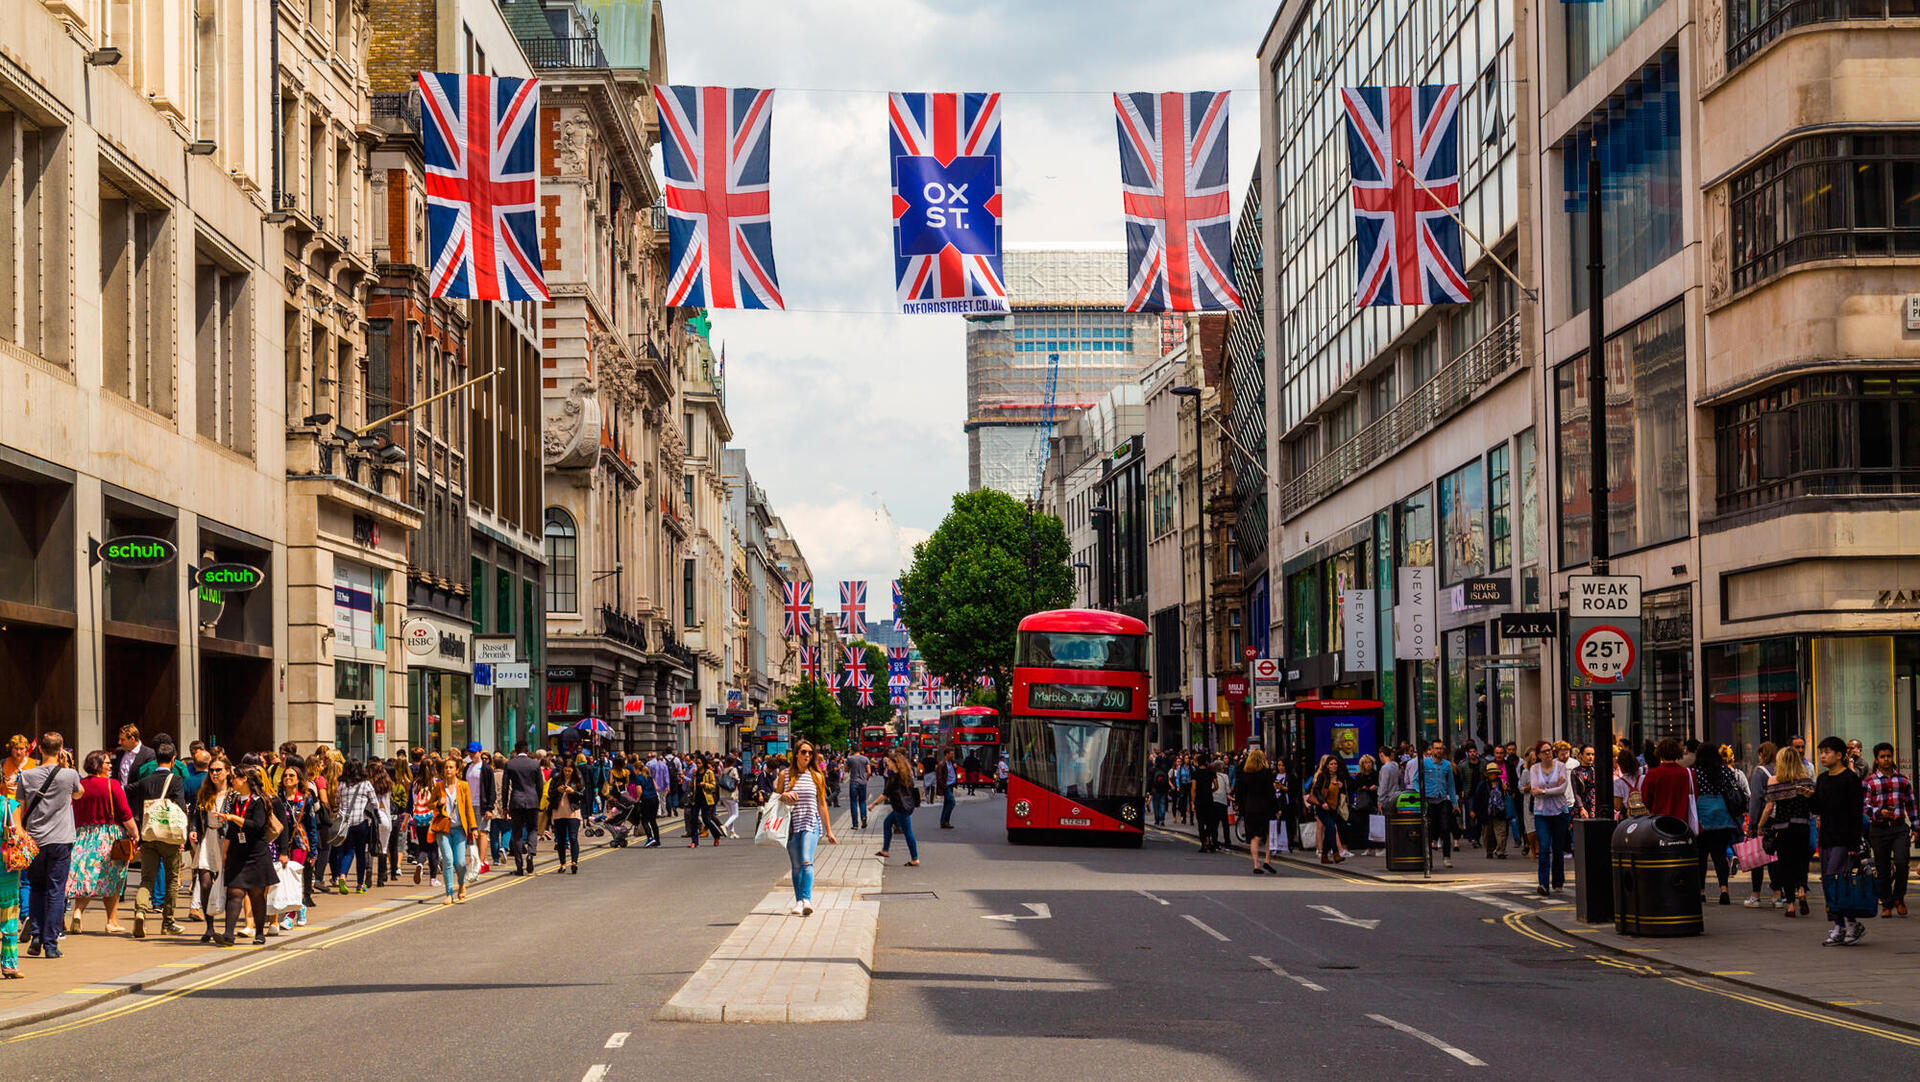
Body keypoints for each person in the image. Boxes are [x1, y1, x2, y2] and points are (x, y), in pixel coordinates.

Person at [18, 733, 83, 959]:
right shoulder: (70, 775)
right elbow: (78, 794)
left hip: (34, 840)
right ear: (61, 748)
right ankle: (51, 944)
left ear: (40, 750)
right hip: (61, 840)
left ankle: (36, 935)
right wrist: (67, 765)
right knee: (56, 892)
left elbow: (20, 806)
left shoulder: (26, 776)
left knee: (36, 888)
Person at [64, 749, 137, 935]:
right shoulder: (112, 785)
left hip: (83, 836)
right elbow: (125, 813)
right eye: (107, 763)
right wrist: (135, 834)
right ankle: (111, 921)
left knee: (87, 877)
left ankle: (78, 913)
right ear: (97, 765)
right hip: (108, 836)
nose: (111, 766)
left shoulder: (79, 785)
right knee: (112, 879)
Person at [124, 741, 189, 939]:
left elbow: (124, 791)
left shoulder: (146, 780)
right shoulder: (176, 780)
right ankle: (168, 922)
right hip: (169, 836)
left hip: (148, 834)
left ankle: (141, 912)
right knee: (171, 880)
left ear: (155, 760)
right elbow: (179, 806)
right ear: (173, 760)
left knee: (147, 879)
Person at [1811, 736, 1867, 946]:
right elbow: (1818, 808)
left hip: (1845, 839)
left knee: (1837, 881)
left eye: (1827, 752)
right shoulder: (1823, 779)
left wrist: (1855, 844)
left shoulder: (1850, 779)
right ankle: (1839, 925)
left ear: (1840, 755)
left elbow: (1855, 813)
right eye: (1821, 752)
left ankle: (1850, 924)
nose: (1823, 756)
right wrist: (1810, 796)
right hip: (1827, 837)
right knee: (1828, 883)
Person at [214, 766, 276, 947]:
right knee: (234, 892)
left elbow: (257, 826)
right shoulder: (234, 799)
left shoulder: (260, 800)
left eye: (235, 778)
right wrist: (225, 852)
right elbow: (232, 831)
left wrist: (233, 818)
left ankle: (259, 932)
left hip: (256, 854)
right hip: (237, 853)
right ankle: (228, 934)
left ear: (245, 780)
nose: (232, 780)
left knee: (256, 894)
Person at [777, 741, 838, 916]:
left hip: (811, 823)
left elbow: (822, 804)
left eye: (810, 753)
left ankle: (807, 899)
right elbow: (775, 797)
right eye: (804, 752)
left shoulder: (816, 776)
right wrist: (784, 795)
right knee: (796, 866)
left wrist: (829, 830)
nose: (807, 755)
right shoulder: (785, 775)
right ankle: (799, 902)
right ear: (796, 754)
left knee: (806, 860)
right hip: (790, 825)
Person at [1759, 747, 1815, 919]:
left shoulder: (1775, 781)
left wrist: (1760, 825)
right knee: (1801, 861)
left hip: (1783, 828)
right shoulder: (1806, 780)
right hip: (1803, 826)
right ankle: (1801, 890)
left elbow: (1769, 807)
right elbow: (1813, 803)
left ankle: (1790, 905)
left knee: (1786, 865)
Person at [1862, 741, 1915, 918]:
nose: (1886, 760)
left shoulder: (1902, 780)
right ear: (1876, 760)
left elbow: (1911, 805)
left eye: (1888, 756)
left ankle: (1899, 898)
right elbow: (1864, 805)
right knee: (1882, 868)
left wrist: (1916, 827)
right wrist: (1879, 813)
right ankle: (1886, 902)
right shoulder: (1869, 782)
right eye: (1882, 757)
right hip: (1878, 829)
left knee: (1901, 862)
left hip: (1899, 827)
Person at [1693, 744, 1744, 906]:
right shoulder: (1725, 770)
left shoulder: (1695, 772)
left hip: (1702, 814)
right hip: (1722, 815)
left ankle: (1701, 892)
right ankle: (1724, 890)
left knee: (1700, 856)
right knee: (1720, 855)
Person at [187, 760, 230, 942]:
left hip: (226, 841)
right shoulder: (205, 793)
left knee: (229, 885)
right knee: (204, 883)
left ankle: (229, 927)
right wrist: (193, 829)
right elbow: (196, 815)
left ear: (227, 771)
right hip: (208, 839)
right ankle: (210, 927)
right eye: (211, 770)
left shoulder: (233, 794)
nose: (214, 773)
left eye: (218, 770)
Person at [1524, 742, 1572, 896]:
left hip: (1560, 812)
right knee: (1544, 848)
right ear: (1538, 755)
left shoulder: (1560, 767)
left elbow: (1562, 789)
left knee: (1558, 849)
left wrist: (1543, 791)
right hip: (1542, 813)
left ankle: (1558, 882)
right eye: (1544, 752)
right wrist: (1552, 789)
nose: (1548, 754)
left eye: (1550, 751)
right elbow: (1533, 789)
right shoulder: (1534, 769)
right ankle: (1543, 884)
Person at [271, 765, 313, 932]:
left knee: (294, 878)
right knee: (282, 878)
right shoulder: (277, 799)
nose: (287, 778)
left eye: (291, 775)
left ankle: (290, 916)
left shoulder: (305, 799)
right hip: (280, 843)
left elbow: (312, 826)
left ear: (298, 779)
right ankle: (300, 906)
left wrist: (314, 850)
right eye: (285, 775)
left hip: (299, 843)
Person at [432, 758, 480, 901]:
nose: (448, 770)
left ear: (457, 770)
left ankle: (461, 884)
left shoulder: (463, 786)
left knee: (459, 862)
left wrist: (474, 827)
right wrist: (438, 804)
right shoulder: (438, 787)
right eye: (446, 767)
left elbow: (468, 808)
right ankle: (448, 893)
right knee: (447, 860)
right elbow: (429, 805)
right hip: (443, 829)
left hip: (459, 830)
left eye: (451, 767)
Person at [330, 759, 376, 893]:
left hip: (345, 823)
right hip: (361, 822)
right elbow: (375, 803)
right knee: (360, 853)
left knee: (348, 851)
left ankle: (342, 875)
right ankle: (360, 884)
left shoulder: (342, 785)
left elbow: (337, 802)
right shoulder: (366, 784)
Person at [1414, 741, 1459, 869]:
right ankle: (1428, 859)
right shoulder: (1425, 763)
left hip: (1443, 799)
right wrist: (1421, 794)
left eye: (1441, 748)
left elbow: (1451, 785)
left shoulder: (1447, 765)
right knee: (1430, 829)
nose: (1439, 751)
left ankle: (1446, 858)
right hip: (1429, 800)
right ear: (1431, 750)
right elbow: (1415, 779)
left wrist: (1455, 803)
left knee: (1445, 828)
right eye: (1436, 748)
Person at [1234, 748, 1278, 874]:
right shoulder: (1266, 773)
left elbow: (1240, 793)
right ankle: (1267, 860)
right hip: (1265, 807)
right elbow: (1271, 792)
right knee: (1269, 834)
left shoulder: (1245, 774)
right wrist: (1276, 808)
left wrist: (1240, 807)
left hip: (1250, 808)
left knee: (1254, 837)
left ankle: (1255, 864)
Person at [873, 752, 920, 866]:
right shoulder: (905, 774)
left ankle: (915, 858)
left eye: (889, 761)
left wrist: (873, 804)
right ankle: (885, 850)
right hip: (905, 806)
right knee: (887, 823)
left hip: (901, 808)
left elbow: (885, 794)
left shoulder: (894, 778)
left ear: (895, 763)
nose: (887, 763)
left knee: (908, 832)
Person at [503, 743, 544, 875]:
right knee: (533, 828)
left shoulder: (510, 764)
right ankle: (531, 853)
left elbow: (505, 788)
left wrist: (505, 806)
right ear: (527, 750)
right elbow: (540, 786)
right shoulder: (535, 764)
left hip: (516, 801)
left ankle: (519, 865)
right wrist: (538, 800)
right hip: (532, 801)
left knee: (517, 832)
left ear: (516, 750)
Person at [1640, 739, 1695, 822]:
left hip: (1659, 821)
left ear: (1660, 754)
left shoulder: (1653, 774)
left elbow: (1646, 799)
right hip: (1683, 821)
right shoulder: (1689, 773)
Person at [545, 759, 584, 873]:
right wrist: (557, 790)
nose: (567, 773)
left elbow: (583, 795)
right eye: (565, 771)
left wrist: (573, 791)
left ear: (573, 770)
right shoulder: (557, 778)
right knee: (561, 840)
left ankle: (574, 863)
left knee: (573, 837)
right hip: (559, 812)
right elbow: (550, 794)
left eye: (569, 771)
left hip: (573, 811)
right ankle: (563, 864)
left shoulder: (578, 779)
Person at [1307, 755, 1346, 864]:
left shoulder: (1339, 777)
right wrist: (1323, 802)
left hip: (1333, 808)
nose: (1334, 766)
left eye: (1335, 764)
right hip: (1323, 808)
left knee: (1330, 831)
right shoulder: (1322, 776)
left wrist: (1340, 786)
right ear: (1327, 766)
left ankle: (1324, 856)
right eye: (1331, 764)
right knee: (1332, 829)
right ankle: (1336, 854)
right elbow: (1317, 791)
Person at [1, 782, 22, 977]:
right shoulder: (9, 805)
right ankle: (9, 964)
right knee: (8, 919)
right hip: (5, 871)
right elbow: (19, 834)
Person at [1474, 763, 1510, 858]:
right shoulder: (1483, 785)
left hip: (1499, 811)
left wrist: (1506, 790)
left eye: (1494, 773)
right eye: (1491, 773)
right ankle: (1489, 850)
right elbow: (1477, 798)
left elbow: (1508, 795)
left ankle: (1500, 851)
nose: (1492, 775)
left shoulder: (1501, 784)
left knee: (1501, 833)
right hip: (1486, 812)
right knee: (1487, 834)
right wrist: (1474, 810)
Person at [109, 725, 154, 790]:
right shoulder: (119, 752)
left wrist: (124, 789)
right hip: (119, 796)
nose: (119, 742)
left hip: (137, 797)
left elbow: (146, 781)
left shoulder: (149, 754)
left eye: (122, 740)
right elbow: (115, 772)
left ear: (132, 739)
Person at [846, 750, 871, 830]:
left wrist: (848, 757)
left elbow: (846, 770)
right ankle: (863, 817)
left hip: (853, 783)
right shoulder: (865, 759)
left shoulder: (850, 759)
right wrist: (866, 779)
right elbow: (869, 772)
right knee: (862, 801)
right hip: (863, 783)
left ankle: (855, 824)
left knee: (853, 803)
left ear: (852, 750)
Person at [938, 749, 958, 829]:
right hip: (946, 786)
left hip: (951, 785)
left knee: (946, 804)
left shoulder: (952, 763)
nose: (952, 755)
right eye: (951, 754)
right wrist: (944, 786)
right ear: (946, 754)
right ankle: (945, 821)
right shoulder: (942, 764)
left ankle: (944, 822)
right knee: (952, 802)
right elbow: (939, 777)